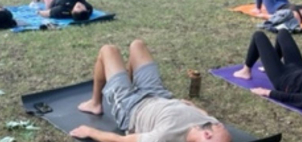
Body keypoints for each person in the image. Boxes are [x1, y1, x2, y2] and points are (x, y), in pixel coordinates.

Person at [72, 40, 232, 142]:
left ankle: (95, 103)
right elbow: (204, 114)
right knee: (137, 45)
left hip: (131, 108)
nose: (218, 124)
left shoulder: (164, 137)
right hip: (159, 94)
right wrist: (190, 106)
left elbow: (122, 141)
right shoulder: (209, 124)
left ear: (207, 135)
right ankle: (125, 81)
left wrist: (90, 131)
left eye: (219, 127)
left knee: (108, 50)